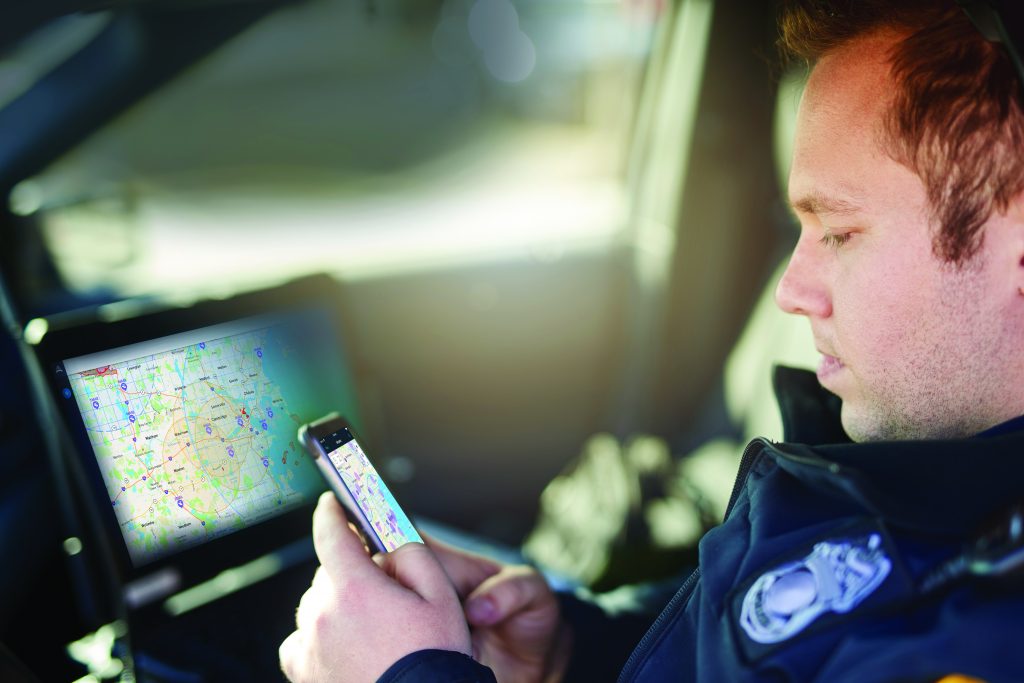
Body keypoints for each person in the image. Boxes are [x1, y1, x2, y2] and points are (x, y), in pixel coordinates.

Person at [279, 1, 1024, 681]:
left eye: (839, 231)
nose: (790, 291)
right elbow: (755, 636)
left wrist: (409, 675)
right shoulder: (909, 471)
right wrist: (574, 647)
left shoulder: (988, 629)